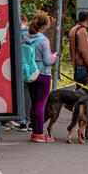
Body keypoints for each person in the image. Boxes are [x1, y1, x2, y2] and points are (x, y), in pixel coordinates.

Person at [24, 14, 57, 143]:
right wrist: (54, 56)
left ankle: (34, 133)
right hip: (43, 75)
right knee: (40, 105)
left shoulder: (26, 38)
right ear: (44, 26)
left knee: (33, 104)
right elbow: (48, 61)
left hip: (30, 74)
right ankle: (39, 134)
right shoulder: (43, 40)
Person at [69, 11, 88, 89]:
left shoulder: (74, 29)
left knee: (79, 91)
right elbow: (85, 50)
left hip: (77, 65)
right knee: (86, 93)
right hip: (83, 66)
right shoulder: (82, 31)